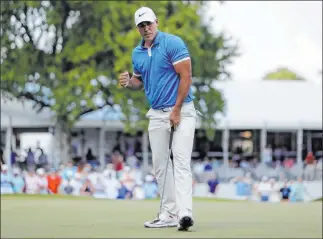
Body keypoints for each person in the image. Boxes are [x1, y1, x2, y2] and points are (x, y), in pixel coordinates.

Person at [119, 7, 196, 231]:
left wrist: (177, 109)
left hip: (183, 110)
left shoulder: (173, 43)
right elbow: (139, 81)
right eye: (141, 26)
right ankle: (169, 213)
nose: (146, 28)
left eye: (149, 24)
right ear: (137, 28)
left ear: (157, 22)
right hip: (156, 112)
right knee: (160, 165)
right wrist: (128, 82)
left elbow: (186, 76)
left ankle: (185, 214)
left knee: (180, 161)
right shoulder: (138, 53)